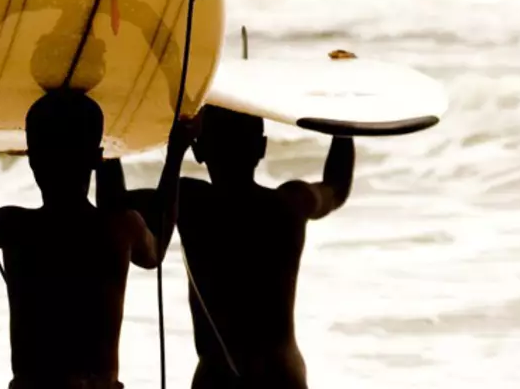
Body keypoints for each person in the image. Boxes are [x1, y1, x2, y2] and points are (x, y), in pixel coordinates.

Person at [0, 87, 193, 389]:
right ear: (96, 158)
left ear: (31, 158)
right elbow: (156, 250)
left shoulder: (15, 225)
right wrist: (175, 155)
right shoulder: (122, 228)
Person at [102, 106, 354, 389]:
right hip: (282, 376)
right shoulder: (289, 204)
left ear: (199, 152)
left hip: (218, 378)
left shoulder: (191, 202)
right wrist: (342, 126)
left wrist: (110, 138)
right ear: (262, 147)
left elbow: (113, 205)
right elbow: (338, 186)